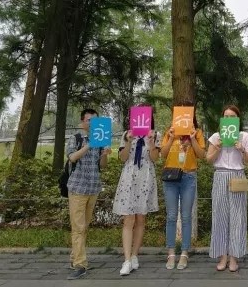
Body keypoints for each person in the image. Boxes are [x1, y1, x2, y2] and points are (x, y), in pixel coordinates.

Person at [205, 105, 248, 272]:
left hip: (238, 176)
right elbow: (208, 160)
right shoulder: (216, 136)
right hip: (220, 175)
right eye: (226, 116)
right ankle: (222, 256)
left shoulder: (244, 136)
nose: (229, 119)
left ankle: (234, 256)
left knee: (238, 217)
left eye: (233, 116)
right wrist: (217, 149)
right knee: (219, 216)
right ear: (222, 119)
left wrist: (242, 149)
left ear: (238, 119)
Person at [66, 108, 112, 280]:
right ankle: (80, 264)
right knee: (78, 228)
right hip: (77, 188)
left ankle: (74, 258)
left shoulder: (101, 139)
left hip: (93, 188)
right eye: (89, 120)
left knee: (84, 226)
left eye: (95, 120)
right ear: (83, 122)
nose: (93, 124)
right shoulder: (76, 138)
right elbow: (72, 157)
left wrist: (105, 154)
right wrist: (89, 144)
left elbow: (103, 165)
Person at [160, 106, 206, 270]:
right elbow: (163, 154)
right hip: (170, 177)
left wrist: (192, 139)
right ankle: (171, 253)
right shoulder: (170, 132)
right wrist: (171, 138)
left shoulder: (197, 132)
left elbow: (202, 155)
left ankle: (185, 253)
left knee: (186, 216)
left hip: (188, 176)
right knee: (171, 216)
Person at [112, 121, 161, 276]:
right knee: (128, 219)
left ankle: (134, 255)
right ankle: (126, 260)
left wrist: (151, 142)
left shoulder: (155, 134)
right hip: (129, 177)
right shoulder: (127, 134)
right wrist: (128, 141)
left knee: (140, 218)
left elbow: (155, 158)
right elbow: (123, 158)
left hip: (145, 177)